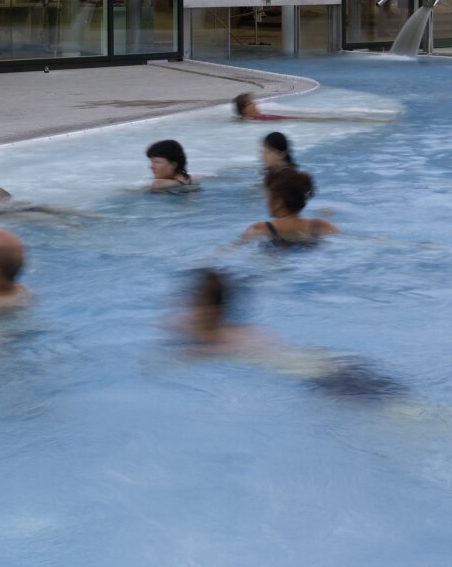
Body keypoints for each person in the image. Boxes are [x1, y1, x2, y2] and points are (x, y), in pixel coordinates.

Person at [171, 269, 404, 399]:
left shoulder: (215, 345)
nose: (185, 306)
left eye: (192, 301)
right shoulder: (242, 331)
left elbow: (177, 359)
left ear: (209, 310)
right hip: (339, 364)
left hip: (329, 380)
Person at [242, 167, 340, 245]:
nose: (266, 201)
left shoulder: (261, 228)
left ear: (278, 203)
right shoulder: (319, 226)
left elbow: (234, 251)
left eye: (268, 197)